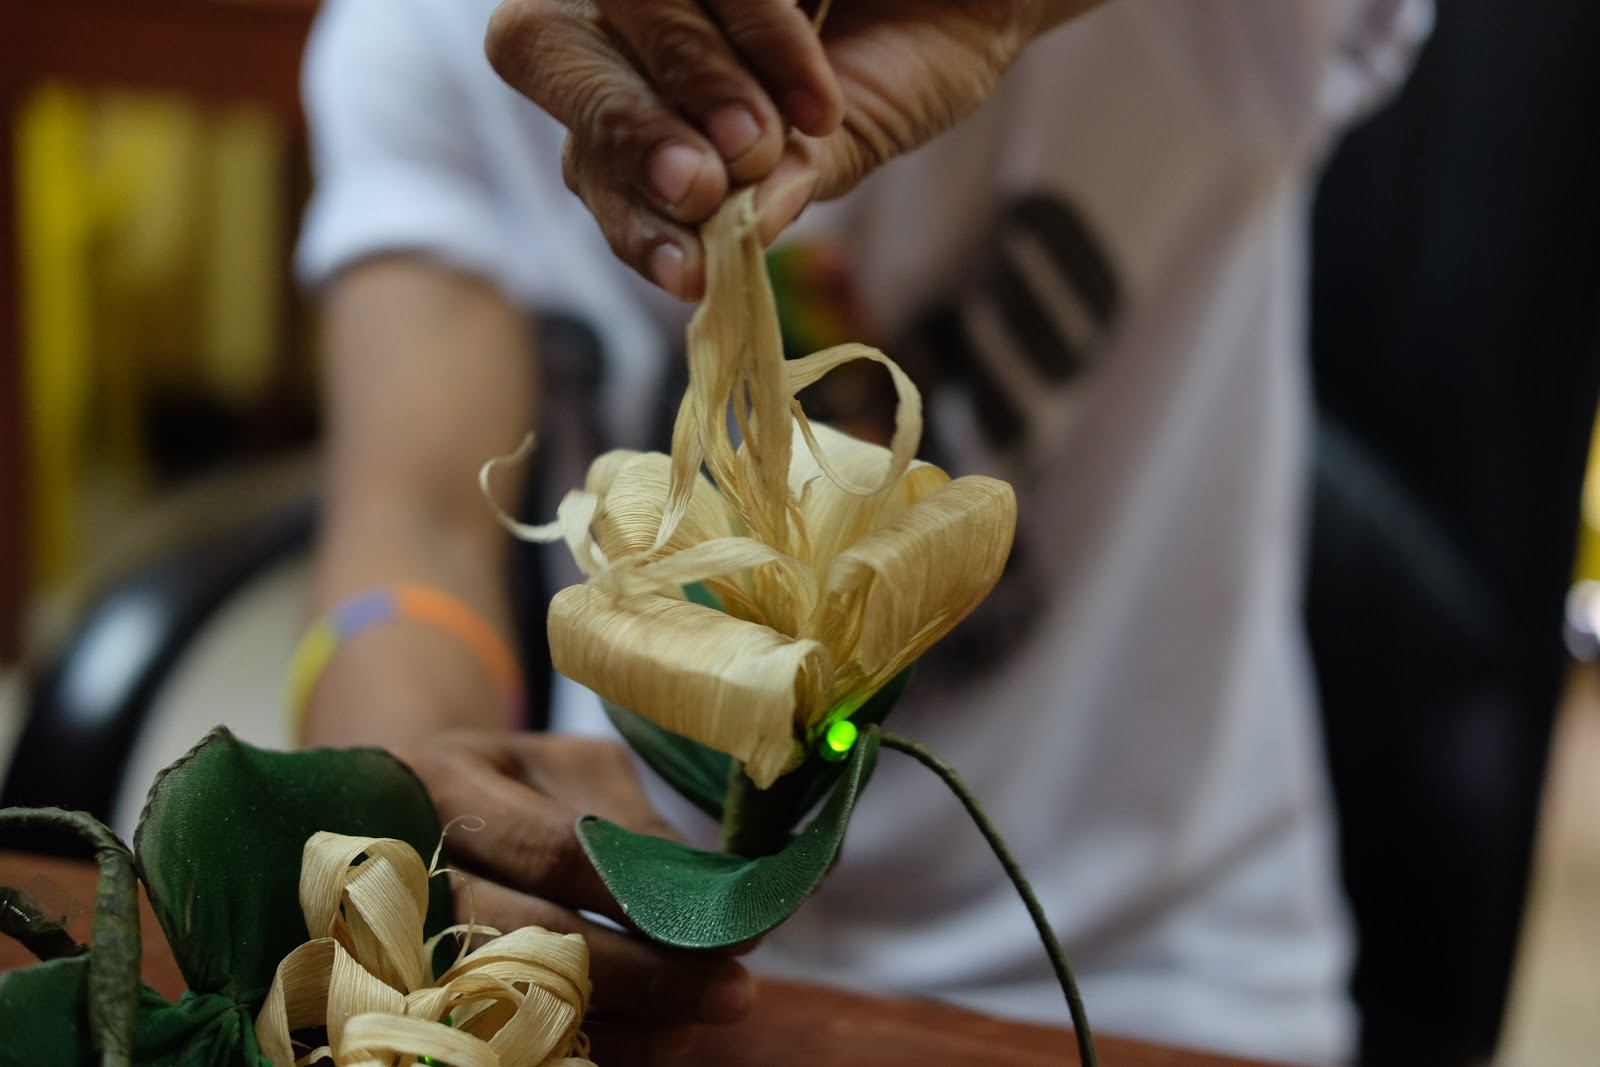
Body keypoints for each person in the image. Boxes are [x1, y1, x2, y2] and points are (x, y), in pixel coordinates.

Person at [292, 0, 1431, 1060]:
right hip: (649, 958)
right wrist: (407, 817)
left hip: (1144, 977)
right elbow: (417, 533)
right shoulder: (431, 32)